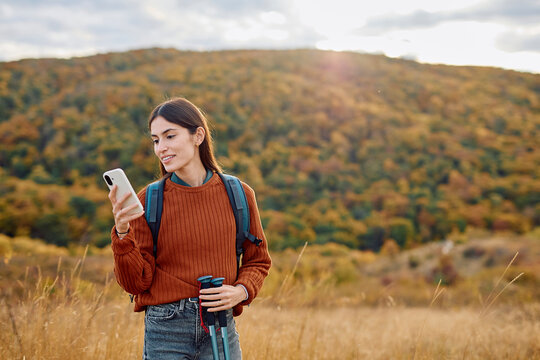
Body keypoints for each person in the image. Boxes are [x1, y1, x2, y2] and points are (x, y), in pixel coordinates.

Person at [107, 97, 272, 359]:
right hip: (166, 330)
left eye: (170, 136)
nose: (161, 147)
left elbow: (258, 261)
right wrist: (123, 233)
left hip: (221, 326)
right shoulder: (148, 200)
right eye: (155, 140)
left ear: (198, 136)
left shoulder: (239, 194)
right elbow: (135, 283)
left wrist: (241, 291)